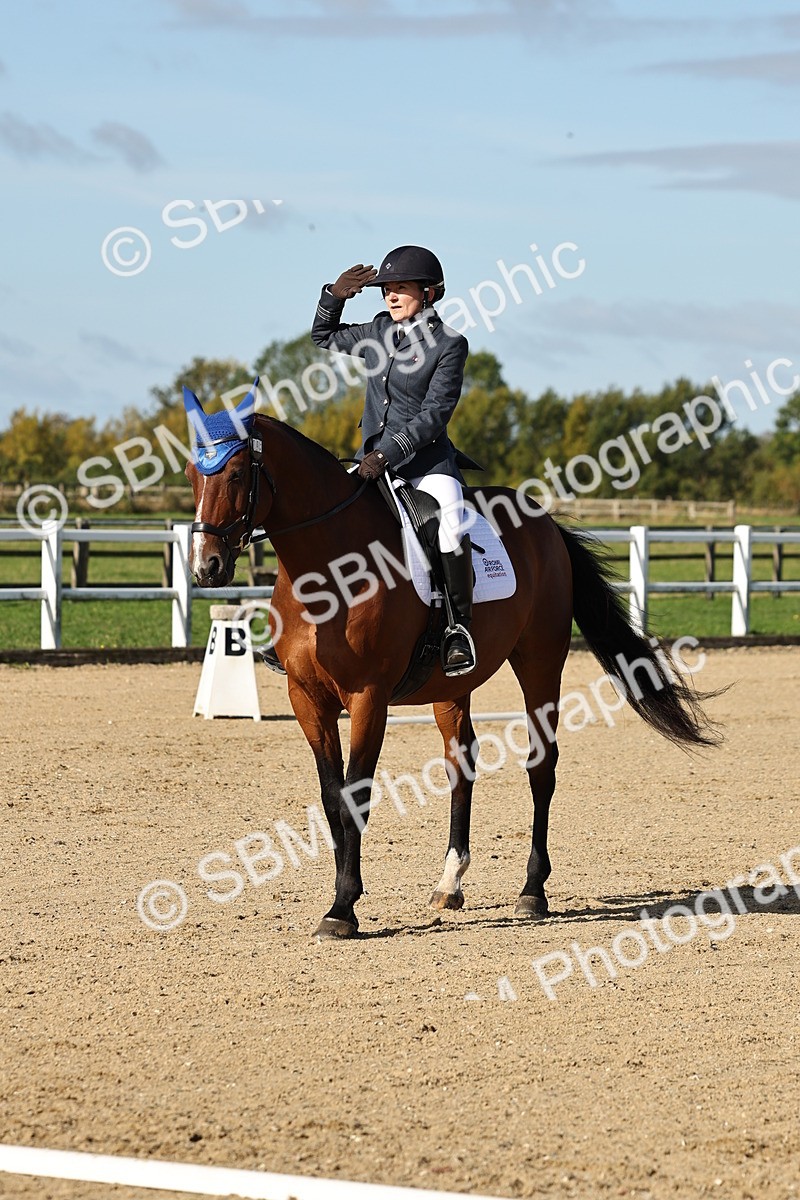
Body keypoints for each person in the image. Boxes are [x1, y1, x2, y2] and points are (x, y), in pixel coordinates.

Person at [311, 244, 476, 676]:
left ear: (430, 292)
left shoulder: (449, 345)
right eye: (386, 288)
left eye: (401, 287)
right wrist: (333, 296)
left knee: (451, 523)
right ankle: (309, 623)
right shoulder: (378, 331)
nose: (391, 295)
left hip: (425, 465)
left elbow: (434, 414)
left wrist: (387, 453)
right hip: (371, 462)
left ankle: (458, 629)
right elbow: (323, 336)